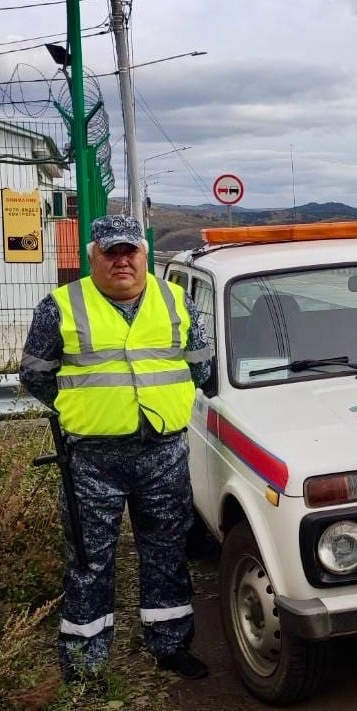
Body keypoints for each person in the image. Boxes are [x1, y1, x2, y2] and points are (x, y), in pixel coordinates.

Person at [19, 215, 212, 682]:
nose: (121, 260)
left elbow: (201, 367)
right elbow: (35, 375)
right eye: (111, 252)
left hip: (163, 453)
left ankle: (170, 646)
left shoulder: (176, 300)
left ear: (145, 254)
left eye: (130, 251)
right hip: (92, 461)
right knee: (89, 561)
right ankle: (85, 664)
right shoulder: (60, 307)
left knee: (167, 553)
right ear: (93, 257)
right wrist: (81, 411)